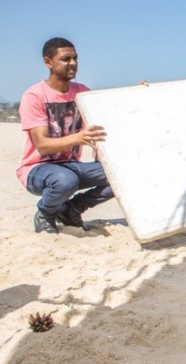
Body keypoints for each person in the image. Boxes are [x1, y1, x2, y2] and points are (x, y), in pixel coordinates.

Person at [17, 37, 115, 234]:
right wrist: (77, 138)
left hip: (71, 165)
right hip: (37, 169)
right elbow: (42, 145)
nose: (73, 63)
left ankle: (72, 209)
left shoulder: (82, 92)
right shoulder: (35, 96)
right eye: (65, 59)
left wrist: (139, 93)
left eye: (75, 58)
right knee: (65, 179)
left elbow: (111, 113)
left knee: (120, 174)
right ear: (48, 62)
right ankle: (45, 214)